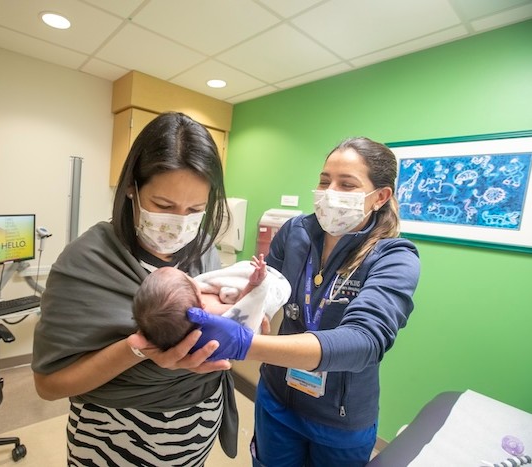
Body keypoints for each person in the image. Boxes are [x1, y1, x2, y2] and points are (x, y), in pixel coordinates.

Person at [178, 137, 421, 467]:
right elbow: (267, 288)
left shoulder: (394, 258)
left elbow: (364, 341)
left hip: (339, 417)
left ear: (380, 197)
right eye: (324, 181)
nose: (329, 191)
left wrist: (246, 345)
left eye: (346, 184)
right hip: (277, 396)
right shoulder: (296, 232)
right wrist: (225, 298)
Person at [32, 111, 239, 466]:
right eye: (163, 205)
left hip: (197, 426)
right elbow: (49, 385)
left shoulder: (203, 249)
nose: (180, 224)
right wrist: (137, 350)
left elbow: (214, 318)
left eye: (196, 209)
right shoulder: (85, 261)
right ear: (132, 187)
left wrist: (240, 323)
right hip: (116, 434)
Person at [132, 255, 269, 351]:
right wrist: (253, 284)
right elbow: (241, 307)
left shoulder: (178, 305)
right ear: (200, 305)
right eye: (187, 278)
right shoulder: (211, 310)